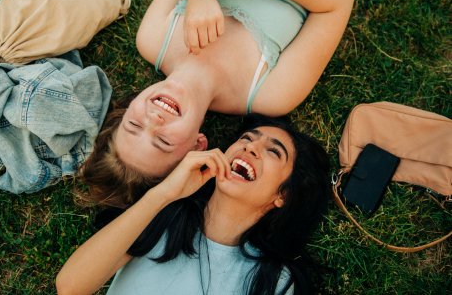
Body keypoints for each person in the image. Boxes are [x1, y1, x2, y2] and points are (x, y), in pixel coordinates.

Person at [77, 0, 380, 207]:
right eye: (163, 141)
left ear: (128, 109)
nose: (153, 120)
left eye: (134, 126)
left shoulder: (154, 39)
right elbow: (338, 0)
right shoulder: (267, 96)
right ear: (197, 144)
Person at [58, 114, 330, 294]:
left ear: (283, 195)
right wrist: (163, 194)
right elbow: (70, 287)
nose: (249, 147)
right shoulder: (162, 215)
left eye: (273, 151)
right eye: (246, 138)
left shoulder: (275, 280)